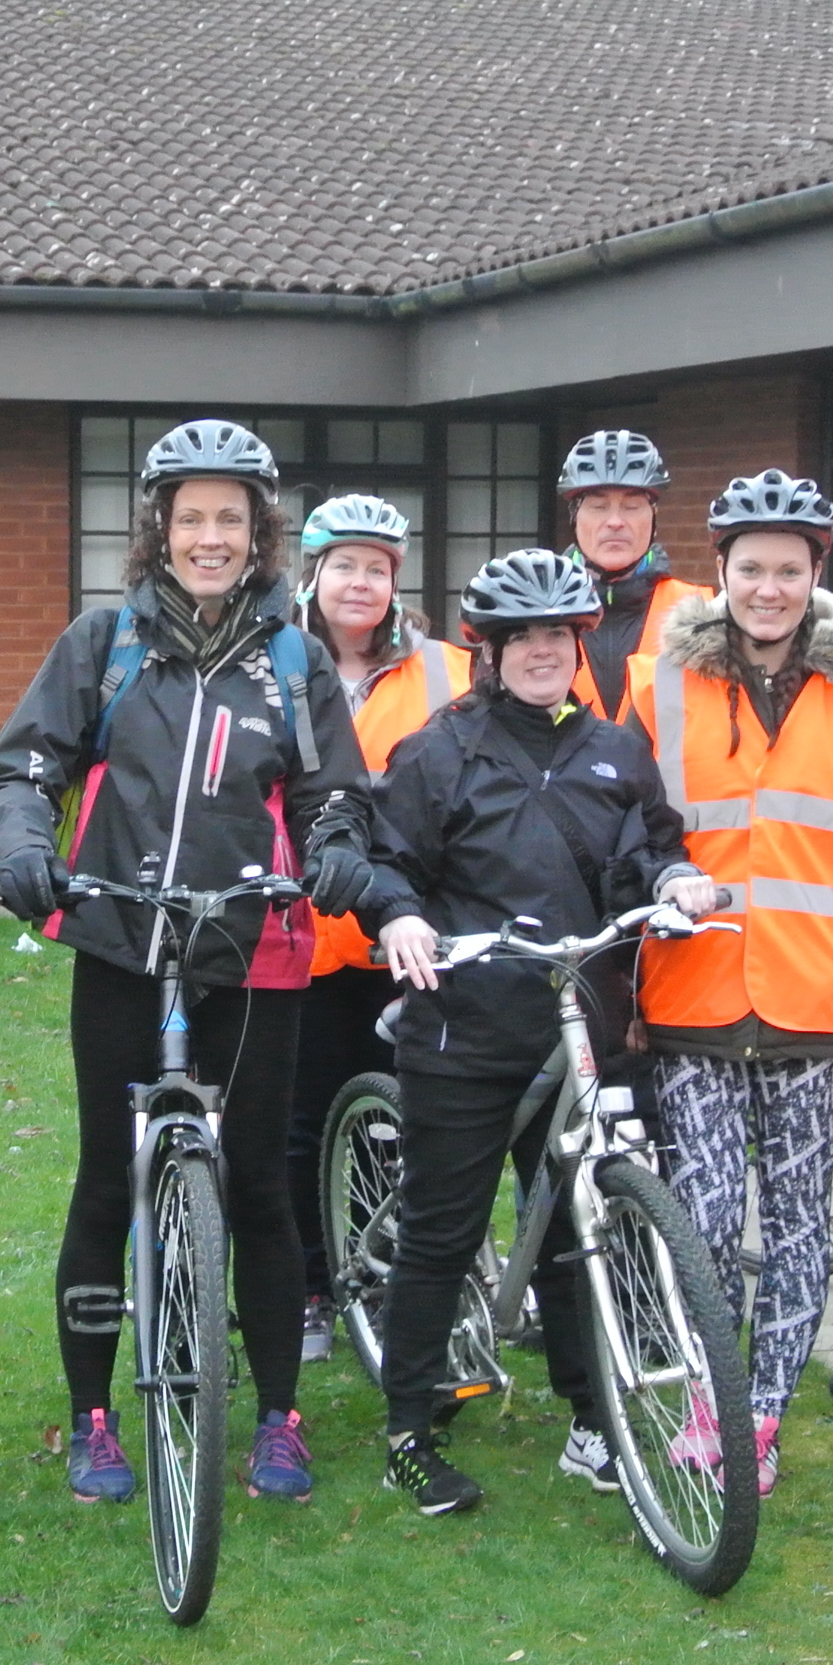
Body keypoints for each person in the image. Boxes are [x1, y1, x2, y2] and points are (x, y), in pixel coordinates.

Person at [0, 421, 372, 1505]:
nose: (209, 536)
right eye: (190, 516)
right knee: (107, 1183)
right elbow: (22, 768)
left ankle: (280, 1419)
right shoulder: (103, 643)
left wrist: (335, 851)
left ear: (259, 535)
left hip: (254, 947)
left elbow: (336, 790)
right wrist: (22, 846)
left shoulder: (291, 658)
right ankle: (95, 1418)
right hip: (120, 940)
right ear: (157, 528)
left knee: (259, 1193)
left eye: (229, 519)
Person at [365, 549, 701, 1514]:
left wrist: (675, 882)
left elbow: (655, 846)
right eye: (525, 638)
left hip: (582, 1027)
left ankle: (593, 1418)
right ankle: (409, 1430)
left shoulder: (614, 750)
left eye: (559, 634)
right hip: (466, 1029)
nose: (544, 652)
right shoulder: (439, 751)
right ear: (491, 650)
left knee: (571, 1229)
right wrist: (398, 914)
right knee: (444, 1228)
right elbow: (391, 860)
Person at [625, 471, 833, 1498]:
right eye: (751, 568)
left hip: (815, 1005)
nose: (768, 587)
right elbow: (629, 834)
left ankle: (762, 1416)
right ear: (721, 572)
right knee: (702, 1219)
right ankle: (707, 1401)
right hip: (691, 996)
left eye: (787, 570)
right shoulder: (658, 680)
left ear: (816, 574)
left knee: (797, 1224)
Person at [283, 493, 469, 1363]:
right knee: (300, 1124)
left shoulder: (449, 671)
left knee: (401, 1124)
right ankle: (310, 1289)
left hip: (403, 937)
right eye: (344, 565)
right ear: (311, 574)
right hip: (296, 937)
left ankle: (391, 1275)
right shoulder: (270, 658)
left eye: (378, 568)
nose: (361, 583)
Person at [551, 430, 712, 720]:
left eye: (632, 507)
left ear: (654, 519)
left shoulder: (702, 614)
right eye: (599, 507)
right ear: (574, 519)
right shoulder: (535, 609)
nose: (614, 522)